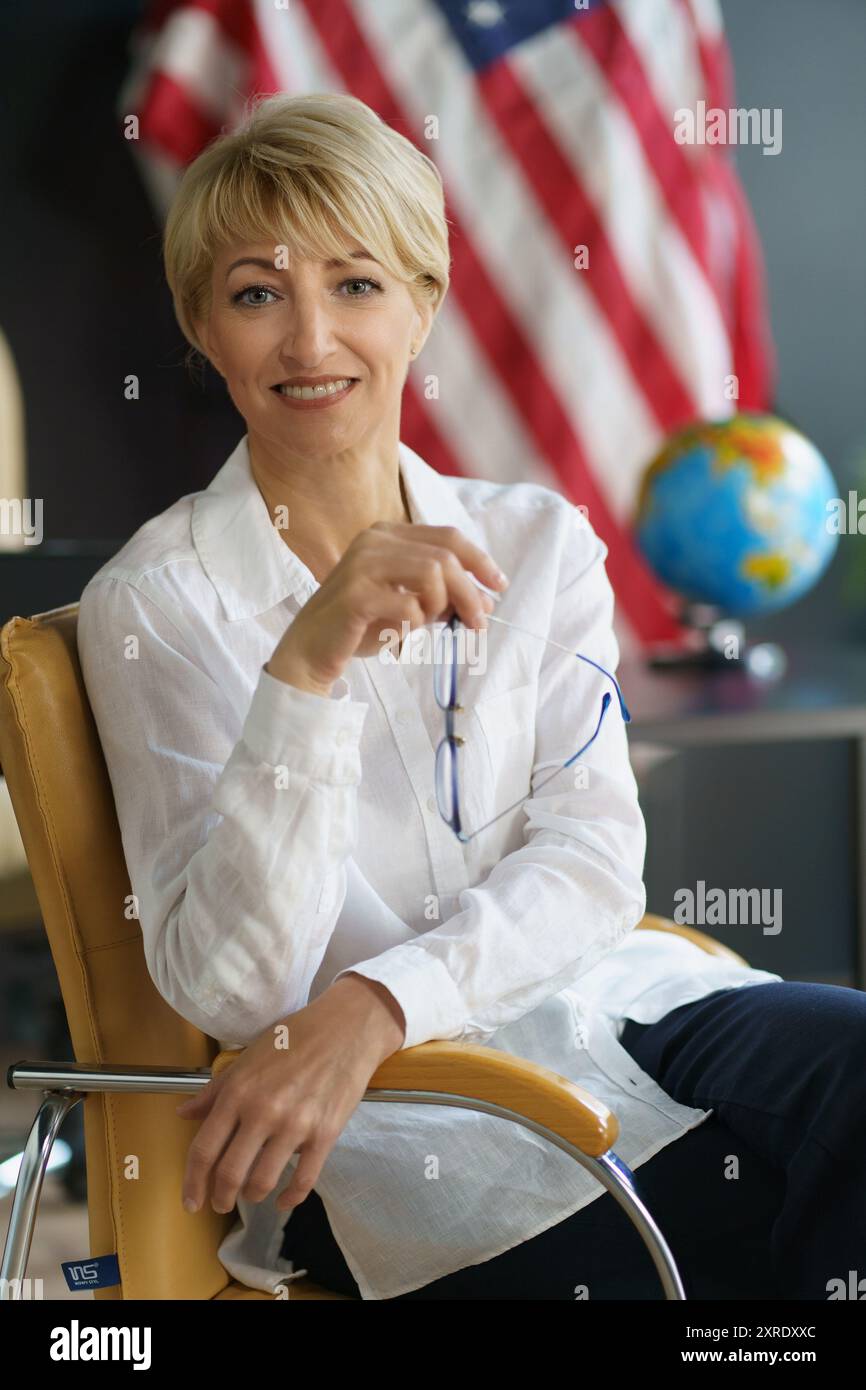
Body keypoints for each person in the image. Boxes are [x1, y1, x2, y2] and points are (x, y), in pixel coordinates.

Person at [77, 91, 866, 1301]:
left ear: (422, 305)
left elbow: (595, 858)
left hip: (613, 1006)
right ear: (199, 325)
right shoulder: (157, 605)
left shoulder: (537, 540)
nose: (307, 342)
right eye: (254, 293)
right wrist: (308, 666)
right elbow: (228, 987)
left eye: (354, 285)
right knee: (770, 1230)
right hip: (389, 1149)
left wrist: (376, 1001)